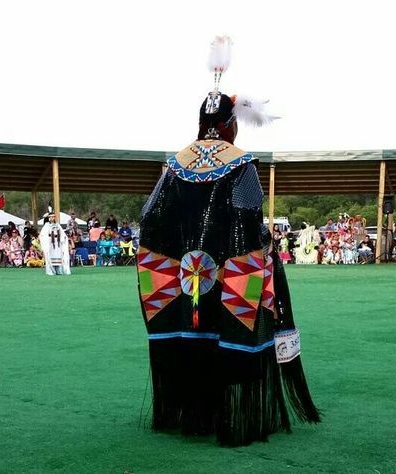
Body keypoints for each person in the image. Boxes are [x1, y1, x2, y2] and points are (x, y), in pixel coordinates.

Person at [137, 36, 319, 447]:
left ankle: (193, 418)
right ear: (230, 124)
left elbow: (151, 219)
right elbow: (247, 223)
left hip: (186, 282)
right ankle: (232, 421)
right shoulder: (241, 166)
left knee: (194, 338)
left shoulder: (173, 165)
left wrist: (181, 256)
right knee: (231, 338)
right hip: (228, 278)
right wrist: (263, 250)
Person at [39, 212, 71, 276]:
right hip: (50, 243)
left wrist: (64, 238)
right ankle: (51, 270)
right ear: (49, 218)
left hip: (58, 243)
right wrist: (47, 240)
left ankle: (59, 270)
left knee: (58, 255)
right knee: (51, 256)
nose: (53, 218)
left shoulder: (57, 225)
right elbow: (42, 235)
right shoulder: (46, 225)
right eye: (51, 217)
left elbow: (62, 233)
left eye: (54, 217)